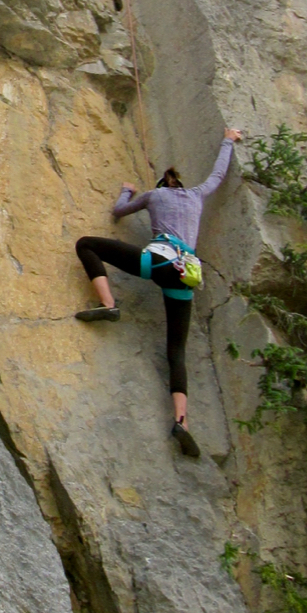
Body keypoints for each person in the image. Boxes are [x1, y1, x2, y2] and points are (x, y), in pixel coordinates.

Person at [73, 128, 243, 458]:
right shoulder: (197, 194)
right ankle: (182, 422)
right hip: (187, 276)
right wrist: (228, 139)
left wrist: (125, 191)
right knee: (176, 350)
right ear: (181, 184)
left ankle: (108, 304)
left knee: (86, 245)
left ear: (164, 185)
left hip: (158, 261)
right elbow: (219, 174)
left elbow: (119, 212)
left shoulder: (154, 195)